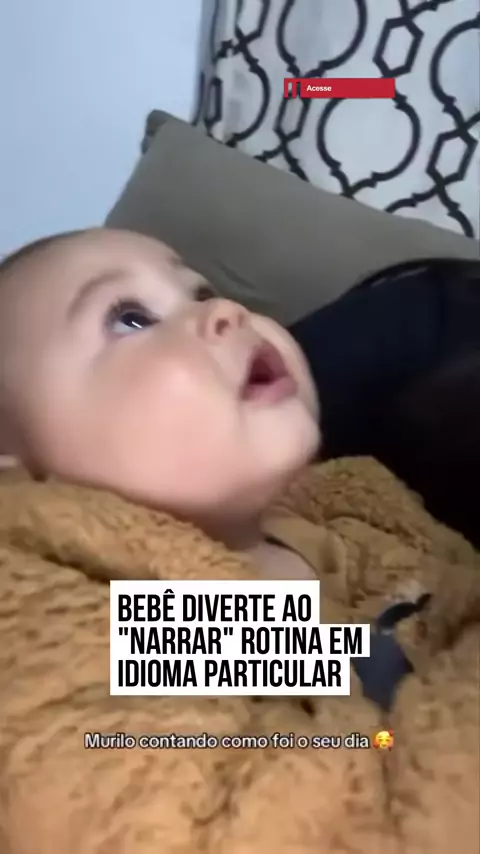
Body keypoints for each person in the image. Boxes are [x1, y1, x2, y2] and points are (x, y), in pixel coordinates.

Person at [0, 228, 478, 854]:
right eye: (131, 318)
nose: (225, 310)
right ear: (13, 463)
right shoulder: (65, 615)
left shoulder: (356, 515)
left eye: (202, 291)